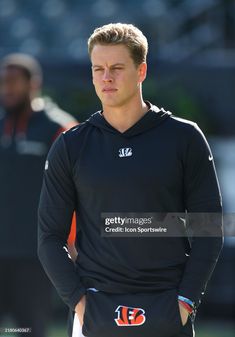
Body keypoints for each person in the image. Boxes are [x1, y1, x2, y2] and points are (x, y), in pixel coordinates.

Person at [38, 23, 223, 337]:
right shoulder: (71, 145)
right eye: (98, 68)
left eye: (117, 68)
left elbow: (210, 227)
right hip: (95, 309)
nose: (106, 77)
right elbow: (49, 239)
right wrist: (80, 303)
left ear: (142, 71)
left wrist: (185, 301)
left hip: (167, 307)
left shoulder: (184, 138)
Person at [0, 53, 77, 337]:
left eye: (13, 82)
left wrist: (71, 242)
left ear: (34, 84)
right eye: (2, 82)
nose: (6, 88)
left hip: (36, 254)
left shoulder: (59, 128)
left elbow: (75, 190)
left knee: (29, 329)